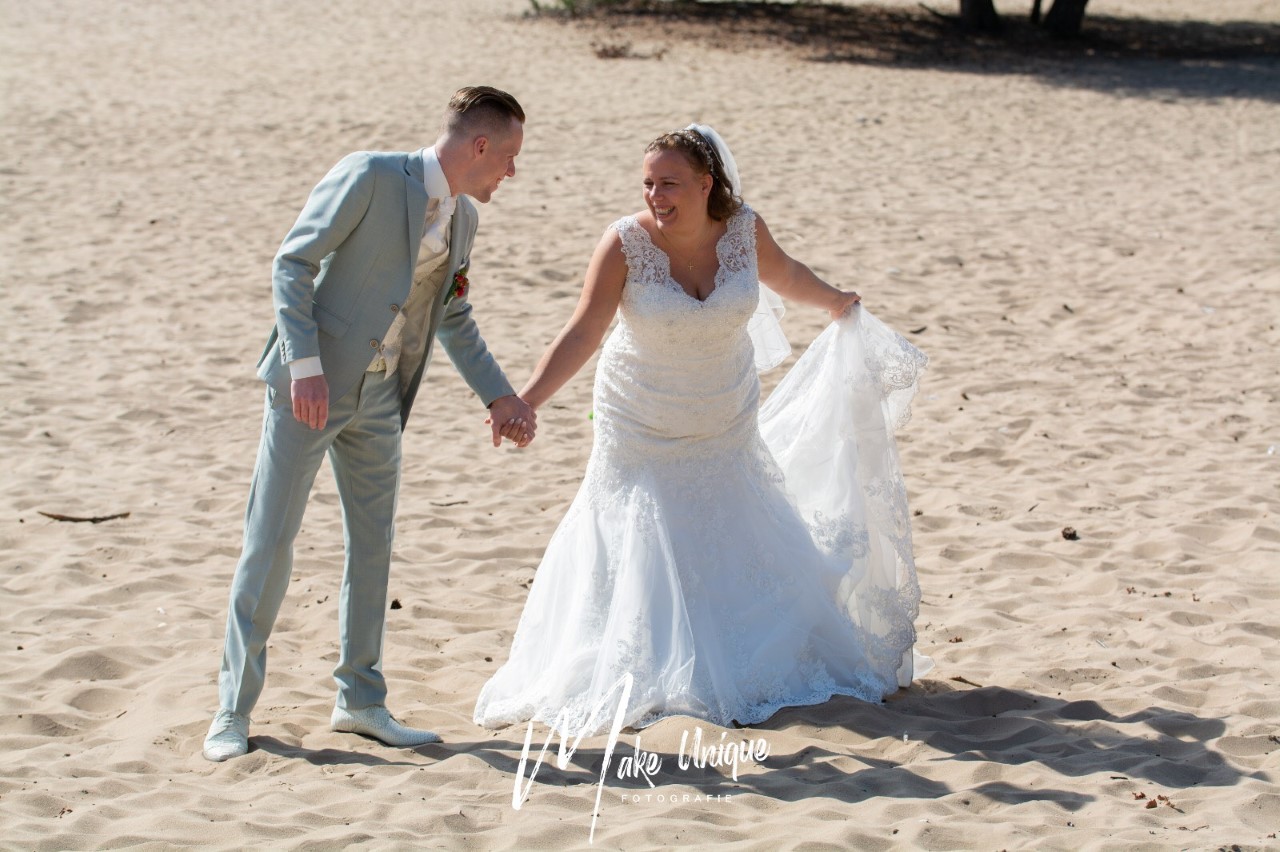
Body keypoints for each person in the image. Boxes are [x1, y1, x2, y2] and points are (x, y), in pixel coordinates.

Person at [474, 125, 930, 737]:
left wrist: (834, 301)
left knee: (731, 520)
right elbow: (584, 330)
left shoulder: (742, 228)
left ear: (706, 184)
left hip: (722, 410)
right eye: (648, 184)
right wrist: (526, 399)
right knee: (642, 522)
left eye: (670, 184)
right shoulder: (624, 243)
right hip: (640, 413)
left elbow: (785, 273)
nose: (656, 196)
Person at [203, 86, 536, 762]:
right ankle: (232, 711)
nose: (512, 172)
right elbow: (292, 263)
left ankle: (360, 700)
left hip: (381, 399)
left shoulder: (464, 220)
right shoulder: (370, 174)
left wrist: (499, 397)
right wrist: (304, 367)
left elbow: (450, 315)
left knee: (374, 545)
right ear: (479, 147)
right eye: (508, 158)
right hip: (308, 393)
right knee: (269, 543)